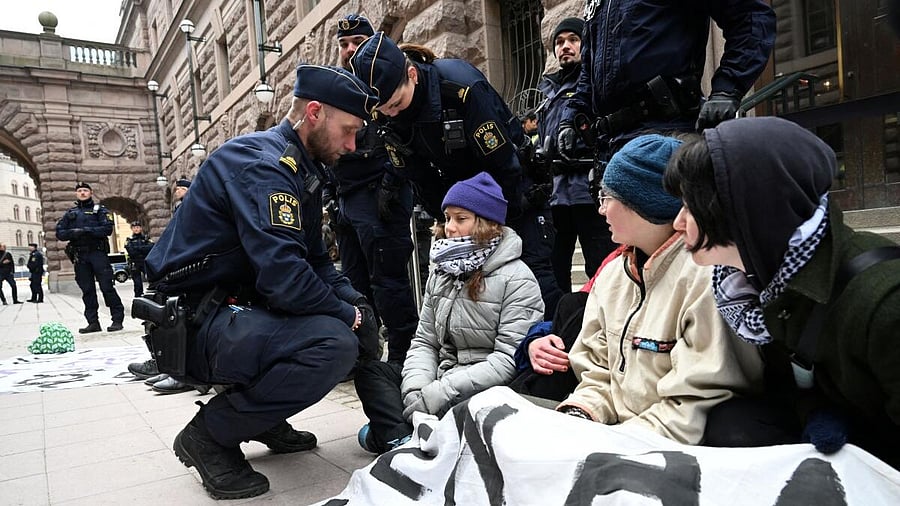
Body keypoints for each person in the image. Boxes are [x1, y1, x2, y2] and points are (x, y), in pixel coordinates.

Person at [142, 64, 381, 500]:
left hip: (232, 309)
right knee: (331, 343)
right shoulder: (265, 168)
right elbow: (286, 281)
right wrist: (346, 318)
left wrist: (357, 305)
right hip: (197, 319)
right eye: (348, 130)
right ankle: (209, 435)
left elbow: (314, 262)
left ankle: (260, 415)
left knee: (347, 327)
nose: (351, 145)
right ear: (314, 112)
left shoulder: (300, 169)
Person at [663, 116, 900, 468]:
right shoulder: (755, 284)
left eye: (690, 206)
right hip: (847, 433)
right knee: (735, 425)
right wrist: (817, 410)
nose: (677, 222)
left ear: (744, 209)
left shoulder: (885, 301)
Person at [542, 134, 764, 446]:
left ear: (643, 204)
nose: (601, 210)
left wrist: (615, 445)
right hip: (621, 439)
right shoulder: (611, 277)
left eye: (606, 196)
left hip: (678, 452)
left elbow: (695, 404)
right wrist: (582, 413)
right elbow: (596, 373)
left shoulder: (707, 279)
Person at [349, 32, 563, 318]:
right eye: (383, 109)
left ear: (412, 74)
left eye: (396, 104)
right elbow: (420, 179)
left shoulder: (460, 87)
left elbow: (503, 164)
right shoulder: (386, 115)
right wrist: (451, 220)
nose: (391, 113)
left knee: (536, 287)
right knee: (480, 302)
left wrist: (495, 223)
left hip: (514, 198)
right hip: (464, 209)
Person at [354, 172, 544, 454]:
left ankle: (397, 433)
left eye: (461, 218)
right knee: (371, 371)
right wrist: (415, 389)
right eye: (447, 218)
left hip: (482, 386)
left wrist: (439, 393)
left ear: (487, 223)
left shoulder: (517, 279)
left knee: (473, 407)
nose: (450, 228)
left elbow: (506, 361)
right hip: (438, 379)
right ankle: (410, 437)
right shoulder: (442, 271)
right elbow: (424, 342)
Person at [556, 0, 776, 176]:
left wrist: (728, 88)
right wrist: (572, 117)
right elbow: (589, 70)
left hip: (664, 133)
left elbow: (751, 17)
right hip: (611, 146)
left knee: (674, 229)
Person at [328, 14, 419, 363]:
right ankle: (364, 355)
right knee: (352, 285)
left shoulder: (385, 85)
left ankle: (402, 356)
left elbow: (402, 143)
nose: (350, 50)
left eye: (357, 43)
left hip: (381, 197)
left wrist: (389, 188)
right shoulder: (338, 90)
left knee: (389, 283)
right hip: (346, 201)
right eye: (344, 44)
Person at [537, 17, 615, 293]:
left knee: (602, 265)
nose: (565, 47)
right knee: (554, 269)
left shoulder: (594, 83)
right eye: (559, 42)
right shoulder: (547, 92)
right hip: (556, 196)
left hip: (589, 189)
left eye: (573, 40)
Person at [56, 182, 124, 333]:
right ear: (76, 194)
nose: (82, 193)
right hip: (80, 256)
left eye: (85, 190)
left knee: (107, 287)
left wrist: (86, 231)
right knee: (87, 290)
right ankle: (93, 322)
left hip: (97, 253)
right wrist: (74, 233)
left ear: (91, 192)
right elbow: (60, 233)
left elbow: (107, 229)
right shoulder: (70, 213)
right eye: (79, 191)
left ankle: (117, 319)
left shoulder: (100, 210)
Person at [124, 221, 153, 297]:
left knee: (152, 278)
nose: (136, 229)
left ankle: (153, 294)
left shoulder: (146, 238)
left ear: (141, 228)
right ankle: (138, 296)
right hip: (135, 262)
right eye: (134, 228)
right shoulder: (129, 240)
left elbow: (150, 248)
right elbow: (131, 251)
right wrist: (142, 249)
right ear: (131, 229)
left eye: (137, 227)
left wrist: (138, 248)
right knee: (137, 283)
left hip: (145, 261)